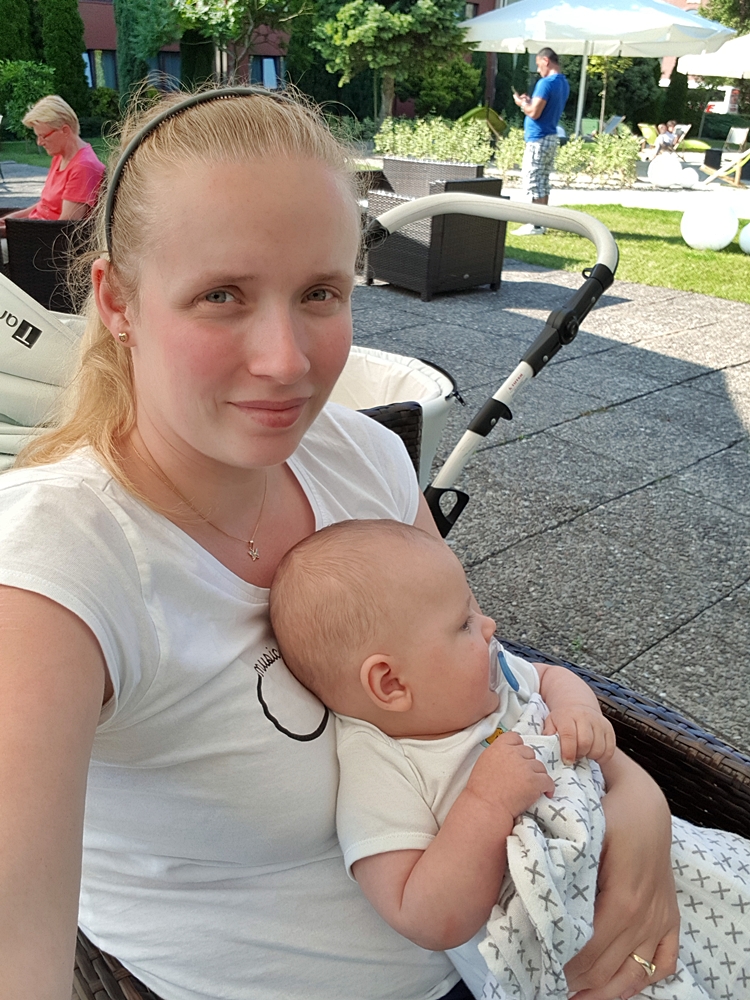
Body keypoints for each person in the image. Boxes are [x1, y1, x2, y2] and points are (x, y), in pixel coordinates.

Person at [0, 86, 680, 1000]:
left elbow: (479, 675)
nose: (286, 361)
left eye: (320, 292)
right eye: (221, 295)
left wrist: (639, 801)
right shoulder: (54, 570)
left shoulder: (360, 457)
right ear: (118, 302)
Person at [269, 518, 750, 1000]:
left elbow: (550, 677)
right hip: (566, 958)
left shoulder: (492, 677)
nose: (489, 626)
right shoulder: (380, 771)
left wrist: (577, 710)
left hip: (653, 860)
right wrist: (486, 803)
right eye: (464, 623)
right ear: (391, 684)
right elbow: (423, 918)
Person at [0, 95, 105, 241]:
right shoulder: (60, 157)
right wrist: (11, 219)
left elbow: (64, 229)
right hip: (34, 232)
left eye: (43, 136)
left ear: (65, 130)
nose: (39, 142)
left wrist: (13, 230)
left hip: (45, 244)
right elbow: (46, 205)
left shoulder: (83, 167)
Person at [512, 48, 570, 236]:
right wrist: (530, 102)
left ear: (546, 61)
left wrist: (522, 103)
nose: (538, 70)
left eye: (538, 65)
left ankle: (534, 224)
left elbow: (535, 112)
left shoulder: (546, 83)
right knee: (543, 180)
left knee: (533, 179)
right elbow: (544, 108)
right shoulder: (563, 83)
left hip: (538, 137)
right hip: (551, 135)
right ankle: (541, 223)